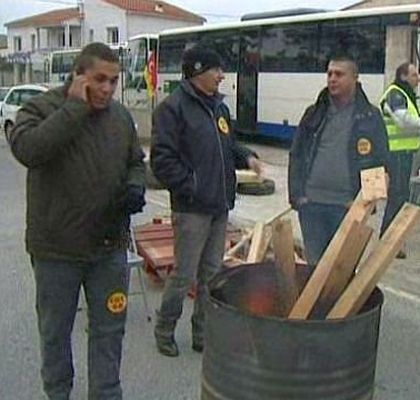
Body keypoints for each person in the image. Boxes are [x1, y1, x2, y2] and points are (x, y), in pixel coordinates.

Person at [8, 42, 146, 400]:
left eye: (114, 81)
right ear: (78, 75)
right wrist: (74, 107)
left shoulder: (119, 117)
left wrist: (134, 185)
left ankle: (106, 394)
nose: (107, 89)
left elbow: (136, 160)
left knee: (109, 332)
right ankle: (58, 394)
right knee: (55, 333)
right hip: (57, 251)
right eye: (99, 79)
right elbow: (28, 150)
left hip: (109, 249)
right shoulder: (40, 108)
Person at [151, 45, 262, 357]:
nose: (222, 76)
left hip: (218, 205)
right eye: (216, 70)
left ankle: (202, 332)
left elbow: (227, 144)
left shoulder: (219, 108)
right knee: (184, 273)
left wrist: (247, 157)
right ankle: (165, 330)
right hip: (191, 209)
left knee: (212, 275)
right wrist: (192, 186)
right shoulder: (173, 108)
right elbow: (162, 160)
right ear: (198, 71)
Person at [288, 54, 389, 267]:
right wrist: (297, 196)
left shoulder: (370, 117)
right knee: (315, 269)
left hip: (348, 207)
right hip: (312, 206)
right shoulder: (314, 113)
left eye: (339, 74)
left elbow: (380, 163)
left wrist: (365, 205)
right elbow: (296, 155)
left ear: (354, 78)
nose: (332, 78)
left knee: (342, 270)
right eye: (330, 73)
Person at [379, 62, 420, 258]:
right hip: (396, 154)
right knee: (397, 197)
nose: (418, 79)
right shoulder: (395, 95)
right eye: (414, 75)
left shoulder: (403, 95)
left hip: (402, 153)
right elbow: (403, 121)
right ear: (403, 76)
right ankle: (388, 242)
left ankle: (391, 240)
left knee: (400, 196)